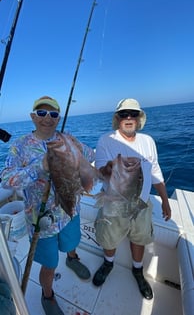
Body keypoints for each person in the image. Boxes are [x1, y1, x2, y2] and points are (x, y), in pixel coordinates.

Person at [1, 96, 95, 315]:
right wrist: (40, 167)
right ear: (33, 117)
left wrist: (81, 160)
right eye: (41, 113)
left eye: (53, 114)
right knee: (50, 263)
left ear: (58, 118)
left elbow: (90, 155)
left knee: (72, 242)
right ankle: (47, 294)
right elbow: (6, 179)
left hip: (70, 209)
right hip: (41, 220)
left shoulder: (67, 139)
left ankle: (72, 258)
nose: (47, 118)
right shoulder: (20, 146)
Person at [92, 98, 171, 300]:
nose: (129, 118)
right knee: (109, 238)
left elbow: (155, 173)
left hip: (141, 204)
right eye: (124, 114)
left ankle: (137, 270)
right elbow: (101, 171)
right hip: (113, 202)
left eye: (133, 114)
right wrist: (109, 168)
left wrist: (165, 200)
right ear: (117, 118)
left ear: (139, 118)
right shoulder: (106, 140)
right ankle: (108, 264)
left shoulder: (148, 141)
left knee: (140, 238)